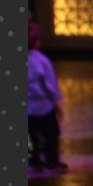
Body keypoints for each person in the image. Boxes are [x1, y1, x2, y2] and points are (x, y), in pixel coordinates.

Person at [27, 21, 67, 172]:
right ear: (37, 41)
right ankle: (51, 161)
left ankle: (33, 160)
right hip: (44, 104)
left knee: (30, 135)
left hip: (28, 106)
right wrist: (56, 102)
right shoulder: (42, 61)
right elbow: (49, 85)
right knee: (50, 134)